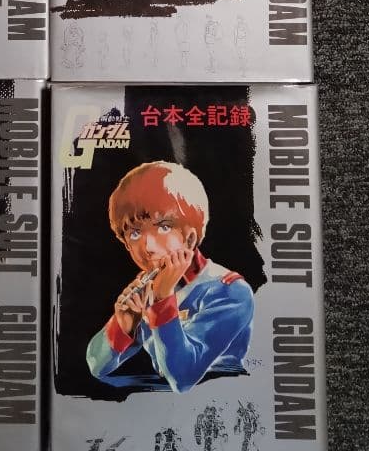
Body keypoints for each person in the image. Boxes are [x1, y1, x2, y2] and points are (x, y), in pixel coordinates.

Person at [86, 161, 254, 392]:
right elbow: (96, 365)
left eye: (163, 227)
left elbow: (182, 379)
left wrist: (162, 300)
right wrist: (123, 325)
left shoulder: (229, 290)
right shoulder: (150, 284)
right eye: (134, 233)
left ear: (190, 239)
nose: (148, 246)